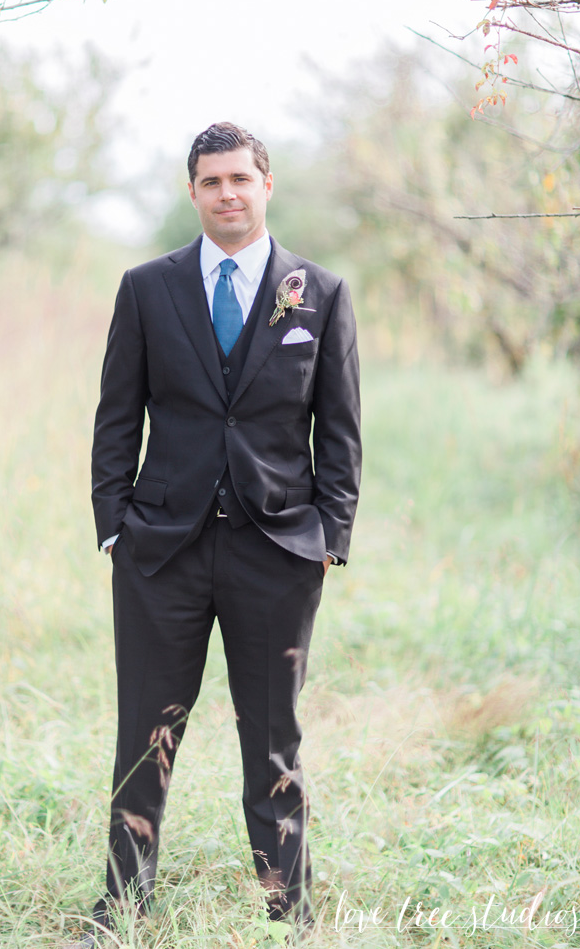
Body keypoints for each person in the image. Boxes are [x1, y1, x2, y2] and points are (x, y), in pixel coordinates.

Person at [84, 122, 361, 937]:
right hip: (160, 550)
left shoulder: (321, 293)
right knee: (145, 735)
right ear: (194, 190)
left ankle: (288, 909)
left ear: (266, 184)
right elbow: (115, 417)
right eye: (211, 181)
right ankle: (123, 905)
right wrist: (113, 528)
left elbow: (340, 429)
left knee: (273, 740)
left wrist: (327, 537)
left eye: (240, 178)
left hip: (276, 553)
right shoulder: (146, 288)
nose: (227, 193)